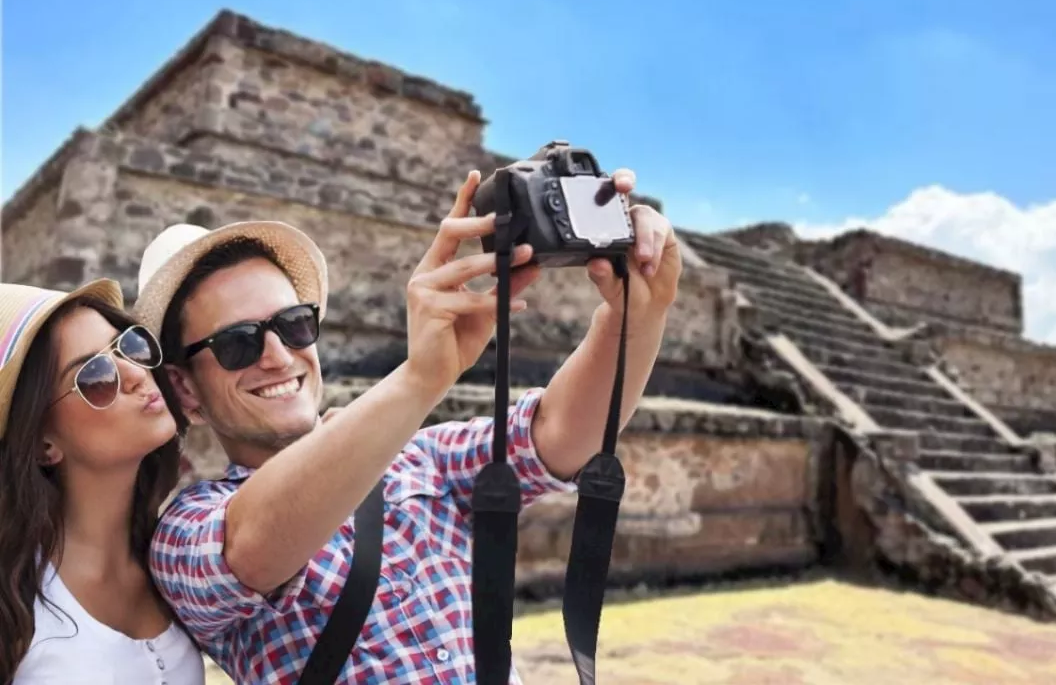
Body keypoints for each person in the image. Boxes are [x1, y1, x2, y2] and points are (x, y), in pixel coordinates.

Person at [138, 167, 681, 684]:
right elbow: (253, 544)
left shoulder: (420, 457)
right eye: (238, 343)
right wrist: (421, 376)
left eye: (294, 324)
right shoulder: (183, 533)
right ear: (185, 388)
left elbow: (559, 436)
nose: (279, 356)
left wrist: (636, 312)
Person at [0, 279, 206, 685]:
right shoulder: (12, 605)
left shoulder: (179, 559)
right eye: (95, 376)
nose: (135, 374)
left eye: (128, 346)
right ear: (44, 444)